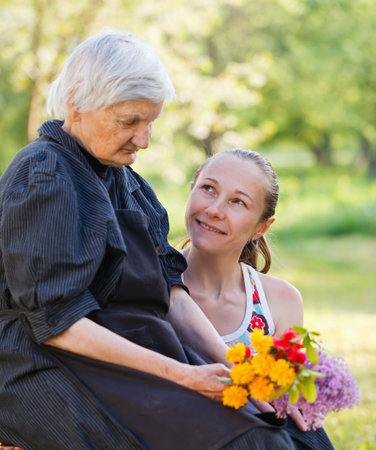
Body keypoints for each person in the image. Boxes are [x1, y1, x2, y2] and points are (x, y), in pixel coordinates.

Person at [0, 30, 299, 450]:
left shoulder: (126, 180)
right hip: (44, 366)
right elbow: (57, 324)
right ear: (77, 102)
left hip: (134, 350)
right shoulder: (44, 176)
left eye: (150, 122)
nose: (143, 140)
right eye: (129, 122)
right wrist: (183, 376)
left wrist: (242, 371)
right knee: (243, 443)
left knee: (285, 429)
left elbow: (172, 293)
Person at [181, 148, 334, 449]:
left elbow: (284, 406)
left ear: (261, 228)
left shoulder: (279, 301)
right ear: (191, 190)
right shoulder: (151, 280)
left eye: (237, 202)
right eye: (208, 189)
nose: (214, 209)